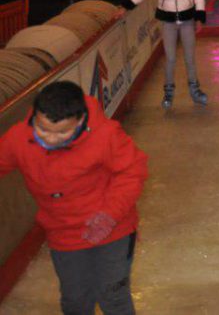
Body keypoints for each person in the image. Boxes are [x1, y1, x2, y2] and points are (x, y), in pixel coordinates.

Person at [0, 81, 148, 315]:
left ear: (80, 120)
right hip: (63, 233)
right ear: (35, 117)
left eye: (62, 132)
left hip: (113, 229)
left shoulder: (106, 135)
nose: (50, 138)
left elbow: (132, 172)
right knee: (75, 299)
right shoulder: (18, 138)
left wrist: (109, 215)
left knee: (113, 295)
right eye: (43, 129)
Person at [118, 0, 208, 109]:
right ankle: (168, 92)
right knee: (171, 58)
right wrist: (125, 6)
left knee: (189, 58)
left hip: (187, 21)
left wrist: (199, 18)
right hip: (168, 22)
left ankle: (195, 91)